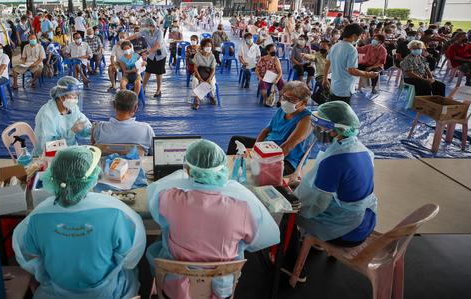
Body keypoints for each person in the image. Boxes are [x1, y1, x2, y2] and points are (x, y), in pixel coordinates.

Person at [146, 140, 280, 299]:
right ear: (222, 168)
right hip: (221, 288)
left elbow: (155, 206)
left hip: (174, 287)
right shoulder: (242, 205)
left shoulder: (169, 198)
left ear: (188, 169)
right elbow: (263, 239)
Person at [13, 146, 145, 299]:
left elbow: (29, 255)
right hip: (106, 293)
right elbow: (130, 256)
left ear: (52, 176)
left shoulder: (37, 217)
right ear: (93, 178)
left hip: (58, 291)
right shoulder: (115, 213)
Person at [287, 101, 377, 277]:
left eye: (323, 126)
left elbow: (314, 206)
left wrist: (292, 197)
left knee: (286, 215)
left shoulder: (335, 161)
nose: (318, 130)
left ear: (338, 129)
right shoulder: (361, 149)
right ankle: (317, 242)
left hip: (347, 231)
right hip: (367, 219)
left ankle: (290, 264)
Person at [226, 81, 313, 175]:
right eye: (285, 97)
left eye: (292, 100)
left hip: (286, 159)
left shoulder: (307, 119)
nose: (286, 102)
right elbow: (266, 130)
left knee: (257, 170)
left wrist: (259, 158)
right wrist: (256, 148)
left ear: (304, 102)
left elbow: (288, 146)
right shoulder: (282, 110)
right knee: (236, 140)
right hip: (266, 147)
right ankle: (228, 170)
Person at [33, 76, 91, 155]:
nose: (76, 99)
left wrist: (94, 130)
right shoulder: (47, 115)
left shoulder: (72, 108)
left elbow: (83, 123)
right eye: (73, 95)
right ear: (61, 96)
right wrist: (70, 133)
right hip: (49, 157)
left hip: (69, 150)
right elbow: (47, 147)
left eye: (77, 95)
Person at [324, 23, 378, 105]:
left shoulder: (335, 46)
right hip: (344, 88)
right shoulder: (351, 49)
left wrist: (325, 78)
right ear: (354, 36)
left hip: (334, 86)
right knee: (342, 113)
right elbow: (351, 71)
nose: (359, 38)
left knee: (333, 111)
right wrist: (368, 74)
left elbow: (327, 63)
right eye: (359, 36)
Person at [128, 18, 167, 98]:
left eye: (147, 26)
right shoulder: (145, 31)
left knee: (158, 73)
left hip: (160, 54)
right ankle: (143, 87)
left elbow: (157, 45)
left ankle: (158, 90)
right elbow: (135, 35)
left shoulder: (159, 32)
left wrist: (147, 53)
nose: (146, 28)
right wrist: (125, 40)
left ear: (152, 25)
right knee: (148, 71)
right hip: (151, 55)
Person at [191, 37, 217, 109]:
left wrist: (209, 78)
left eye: (210, 46)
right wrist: (199, 78)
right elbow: (195, 68)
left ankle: (212, 96)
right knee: (195, 81)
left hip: (209, 74)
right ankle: (196, 100)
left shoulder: (212, 56)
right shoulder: (197, 55)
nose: (209, 47)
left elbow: (213, 69)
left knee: (212, 83)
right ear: (202, 47)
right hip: (199, 73)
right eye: (207, 46)